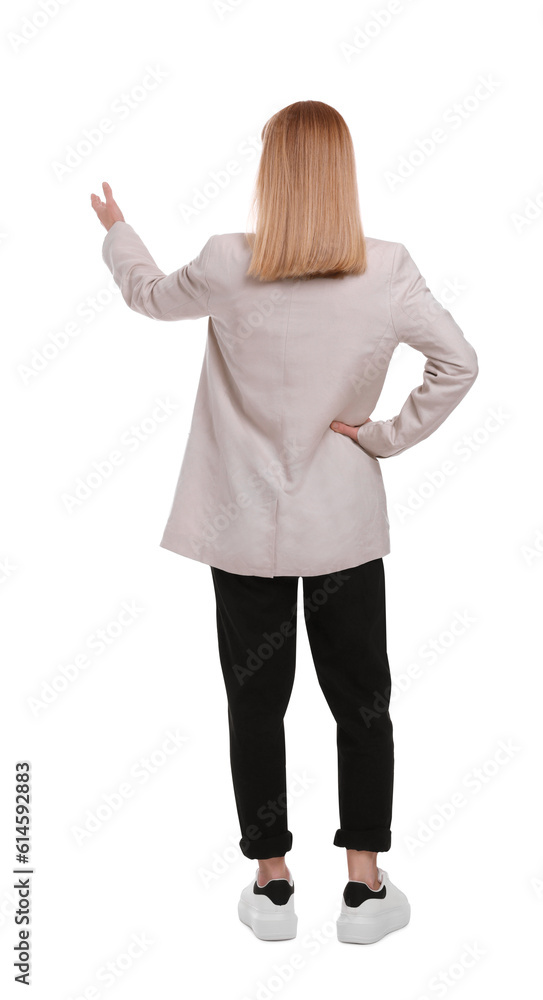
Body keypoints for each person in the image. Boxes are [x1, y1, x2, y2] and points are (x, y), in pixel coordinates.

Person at [91, 100, 479, 945]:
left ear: (273, 173)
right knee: (362, 703)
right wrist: (381, 438)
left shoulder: (229, 263)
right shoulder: (387, 269)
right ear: (341, 173)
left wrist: (119, 231)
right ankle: (364, 888)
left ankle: (271, 885)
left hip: (244, 529)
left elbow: (149, 297)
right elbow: (459, 363)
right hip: (344, 525)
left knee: (255, 702)